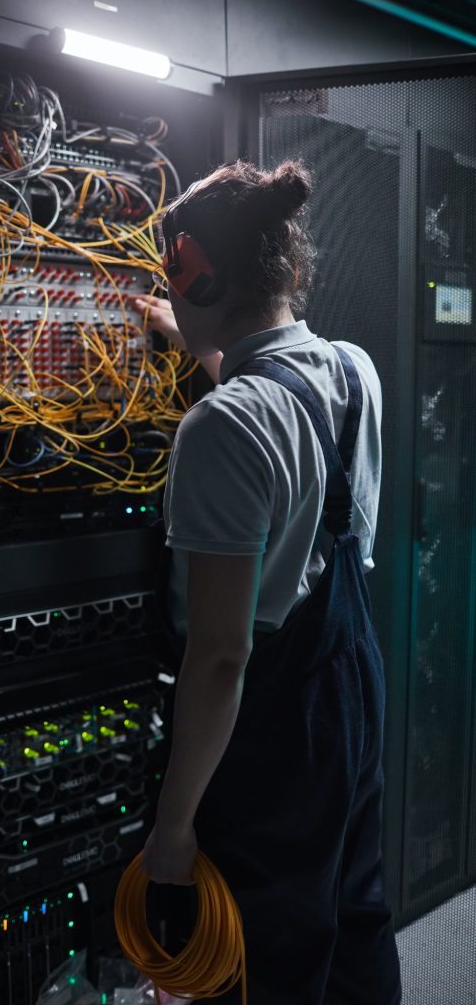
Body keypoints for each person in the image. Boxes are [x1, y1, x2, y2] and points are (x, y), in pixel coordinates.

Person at [126, 158, 402, 1005]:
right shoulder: (353, 373)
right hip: (349, 694)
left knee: (262, 956)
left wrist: (172, 834)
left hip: (267, 727)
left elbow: (220, 658)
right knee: (349, 919)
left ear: (196, 268)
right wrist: (190, 335)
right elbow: (281, 422)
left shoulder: (222, 428)